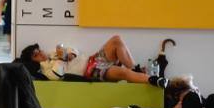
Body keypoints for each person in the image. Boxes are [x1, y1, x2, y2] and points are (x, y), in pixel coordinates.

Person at [18, 37, 167, 86]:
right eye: (36, 55)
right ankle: (153, 80)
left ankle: (136, 69)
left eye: (39, 51)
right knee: (122, 72)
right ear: (34, 60)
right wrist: (62, 59)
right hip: (90, 71)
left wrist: (70, 53)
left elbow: (74, 50)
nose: (41, 54)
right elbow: (57, 76)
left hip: (92, 59)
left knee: (116, 40)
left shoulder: (52, 53)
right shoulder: (45, 69)